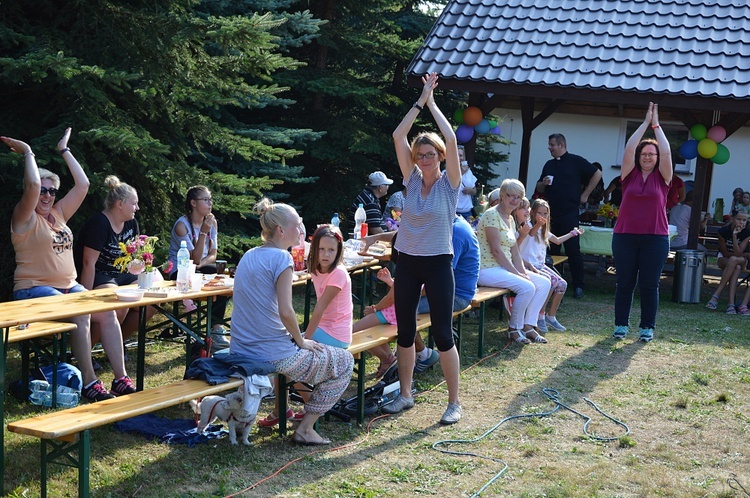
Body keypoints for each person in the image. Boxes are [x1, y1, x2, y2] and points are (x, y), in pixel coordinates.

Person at [3, 129, 117, 401]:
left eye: (52, 191)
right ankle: (90, 382)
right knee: (78, 310)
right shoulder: (24, 217)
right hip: (33, 290)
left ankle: (121, 378)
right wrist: (28, 152)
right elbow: (30, 187)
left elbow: (83, 185)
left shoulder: (59, 213)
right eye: (42, 191)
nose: (47, 196)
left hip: (69, 287)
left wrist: (64, 150)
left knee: (106, 311)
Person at [230, 198, 353, 445]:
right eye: (298, 225)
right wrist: (301, 341)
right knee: (345, 362)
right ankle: (305, 428)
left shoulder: (249, 255)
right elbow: (287, 311)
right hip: (270, 353)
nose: (301, 230)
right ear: (281, 231)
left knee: (325, 358)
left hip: (241, 349)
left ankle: (284, 411)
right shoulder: (282, 259)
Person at [383, 72, 463, 425]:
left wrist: (434, 103)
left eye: (431, 154)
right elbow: (398, 135)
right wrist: (419, 103)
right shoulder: (411, 178)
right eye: (421, 153)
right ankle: (405, 394)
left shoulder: (451, 184)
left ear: (441, 156)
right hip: (409, 263)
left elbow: (451, 137)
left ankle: (454, 402)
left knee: (443, 335)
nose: (425, 157)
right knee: (404, 330)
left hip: (438, 263)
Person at [75, 176, 163, 343]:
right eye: (134, 203)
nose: (137, 208)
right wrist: (84, 301)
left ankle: (117, 344)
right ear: (120, 204)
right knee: (119, 306)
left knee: (151, 303)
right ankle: (88, 351)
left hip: (123, 273)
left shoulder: (131, 222)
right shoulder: (99, 224)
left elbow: (136, 255)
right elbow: (88, 264)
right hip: (101, 274)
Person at [611, 103, 672, 343]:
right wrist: (645, 123)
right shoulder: (629, 175)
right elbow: (628, 149)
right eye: (644, 153)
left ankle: (647, 327)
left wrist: (656, 126)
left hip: (655, 238)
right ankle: (621, 325)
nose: (647, 156)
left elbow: (667, 152)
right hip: (625, 236)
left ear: (657, 159)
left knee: (649, 285)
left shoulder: (663, 177)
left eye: (652, 154)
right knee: (624, 283)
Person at [477, 179, 551, 344]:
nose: (515, 200)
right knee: (527, 287)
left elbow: (514, 251)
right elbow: (496, 251)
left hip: (503, 268)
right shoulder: (491, 215)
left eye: (519, 197)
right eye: (511, 196)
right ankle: (513, 329)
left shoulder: (509, 218)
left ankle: (528, 326)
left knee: (544, 283)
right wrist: (517, 273)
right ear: (502, 195)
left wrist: (523, 272)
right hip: (487, 269)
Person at [535, 133, 601, 299]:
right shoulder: (549, 164)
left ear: (561, 145)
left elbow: (597, 173)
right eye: (549, 144)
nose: (549, 147)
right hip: (551, 213)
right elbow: (539, 188)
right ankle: (551, 284)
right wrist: (543, 183)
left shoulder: (575, 161)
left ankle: (578, 285)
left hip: (570, 212)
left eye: (552, 145)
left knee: (573, 250)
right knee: (551, 249)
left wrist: (585, 194)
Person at [168, 185, 229, 344]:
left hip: (199, 267)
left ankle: (215, 331)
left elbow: (213, 255)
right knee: (211, 278)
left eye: (211, 200)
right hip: (180, 270)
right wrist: (203, 232)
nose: (210, 203)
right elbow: (192, 259)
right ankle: (208, 331)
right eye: (206, 200)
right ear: (193, 203)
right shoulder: (182, 226)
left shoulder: (211, 223)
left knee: (221, 280)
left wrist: (200, 264)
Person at [517, 198, 583, 333]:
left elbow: (557, 241)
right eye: (539, 213)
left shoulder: (543, 230)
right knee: (551, 283)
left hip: (541, 265)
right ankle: (539, 315)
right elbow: (531, 234)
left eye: (545, 213)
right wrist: (537, 225)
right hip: (529, 266)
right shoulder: (529, 226)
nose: (542, 216)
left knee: (562, 284)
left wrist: (573, 233)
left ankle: (550, 316)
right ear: (533, 212)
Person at [705, 211, 750, 314]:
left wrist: (735, 236)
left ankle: (716, 295)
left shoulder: (747, 233)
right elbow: (725, 253)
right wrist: (740, 254)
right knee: (736, 267)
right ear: (732, 219)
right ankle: (730, 304)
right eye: (739, 219)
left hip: (740, 260)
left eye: (744, 220)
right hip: (725, 259)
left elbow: (738, 254)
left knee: (735, 260)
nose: (741, 222)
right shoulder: (723, 231)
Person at [349, 171, 394, 235]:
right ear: (380, 188)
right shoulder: (370, 202)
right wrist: (391, 240)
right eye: (386, 185)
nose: (388, 187)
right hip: (366, 242)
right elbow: (376, 231)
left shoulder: (368, 196)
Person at [456, 145, 478, 220]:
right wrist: (461, 172)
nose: (459, 158)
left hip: (467, 212)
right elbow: (449, 184)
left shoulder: (469, 173)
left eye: (461, 155)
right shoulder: (446, 172)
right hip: (453, 212)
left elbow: (474, 191)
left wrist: (470, 190)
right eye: (456, 155)